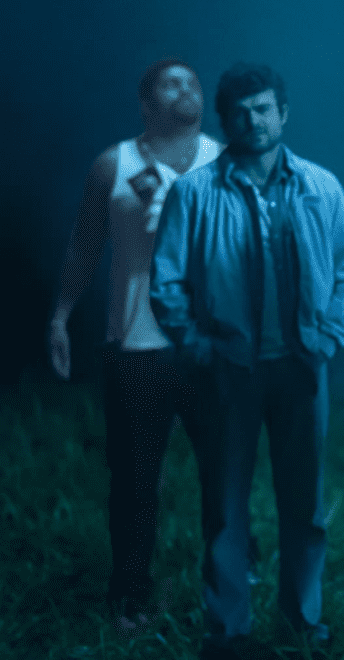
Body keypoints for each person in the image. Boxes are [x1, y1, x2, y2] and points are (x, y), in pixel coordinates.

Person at [150, 63, 344, 659]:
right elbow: (166, 281)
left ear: (284, 113)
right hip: (228, 371)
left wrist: (329, 336)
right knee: (224, 506)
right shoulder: (194, 192)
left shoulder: (321, 186)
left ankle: (302, 622)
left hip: (301, 366)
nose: (254, 120)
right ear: (225, 121)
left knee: (306, 505)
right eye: (241, 112)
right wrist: (199, 346)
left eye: (264, 108)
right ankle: (228, 633)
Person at [48, 58, 222, 634]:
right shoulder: (114, 164)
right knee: (134, 480)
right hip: (136, 342)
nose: (186, 88)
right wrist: (61, 315)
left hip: (208, 345)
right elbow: (85, 243)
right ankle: (130, 599)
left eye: (192, 81)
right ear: (146, 102)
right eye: (172, 82)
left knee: (224, 472)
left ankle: (227, 595)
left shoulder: (224, 160)